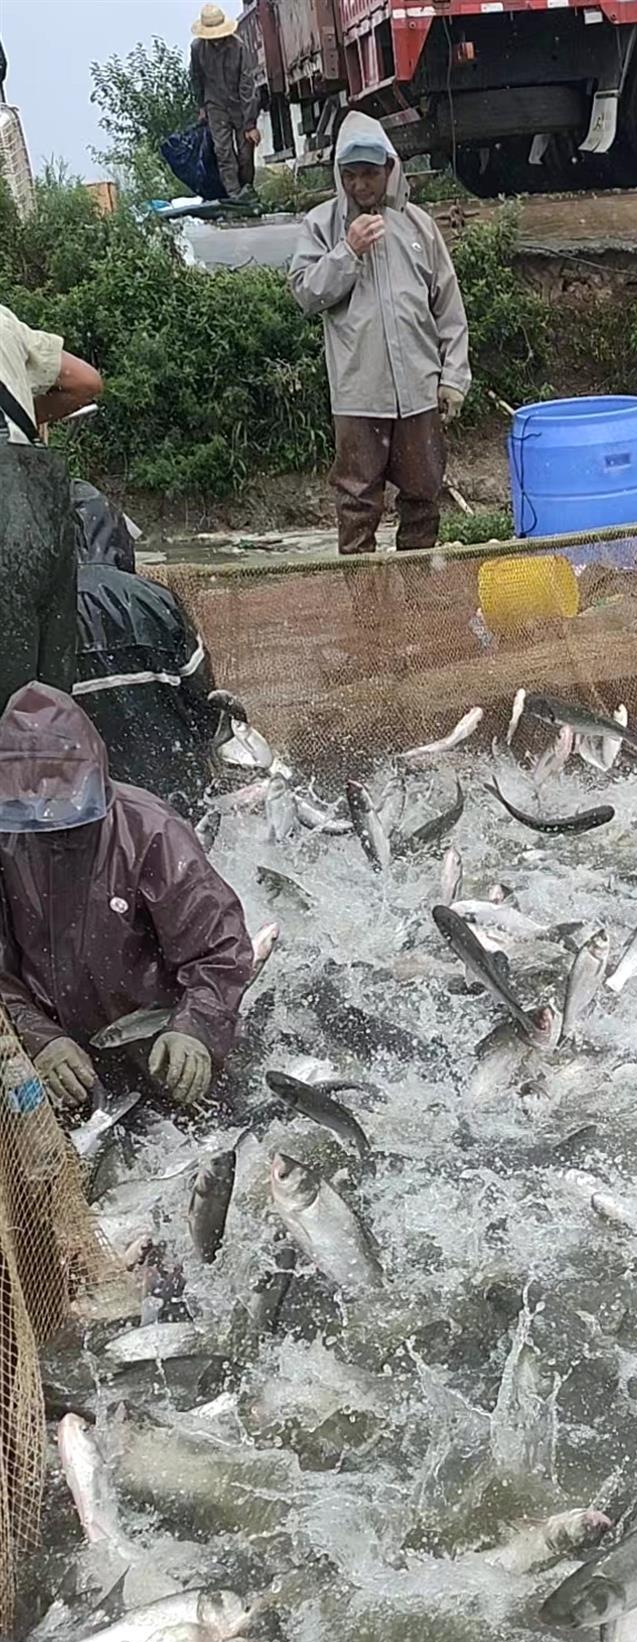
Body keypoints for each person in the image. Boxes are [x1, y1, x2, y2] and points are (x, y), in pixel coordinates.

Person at [0, 684, 253, 1110]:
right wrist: (38, 1039)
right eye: (35, 805)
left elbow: (221, 948)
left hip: (162, 1048)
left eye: (65, 803)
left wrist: (195, 1028)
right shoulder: (8, 841)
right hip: (66, 1069)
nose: (52, 820)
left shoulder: (151, 830)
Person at [289, 112, 471, 555]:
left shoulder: (417, 225)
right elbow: (306, 293)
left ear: (390, 170)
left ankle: (416, 608)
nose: (360, 186)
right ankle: (369, 617)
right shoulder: (323, 225)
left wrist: (453, 378)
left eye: (369, 174)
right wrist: (347, 251)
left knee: (423, 499)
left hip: (419, 391)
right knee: (356, 506)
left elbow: (448, 306)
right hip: (358, 394)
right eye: (349, 176)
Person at [72, 482, 221, 815]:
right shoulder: (156, 599)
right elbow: (205, 701)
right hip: (174, 801)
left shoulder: (32, 611)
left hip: (83, 810)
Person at [1, 305, 102, 704]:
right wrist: (30, 413)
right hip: (32, 510)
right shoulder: (4, 320)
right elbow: (85, 382)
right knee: (43, 704)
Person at [190, 4, 260, 204]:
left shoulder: (238, 46)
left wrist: (250, 124)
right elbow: (196, 78)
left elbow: (247, 84)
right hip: (215, 106)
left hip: (239, 105)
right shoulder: (197, 49)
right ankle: (235, 196)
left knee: (246, 154)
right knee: (224, 153)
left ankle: (247, 190)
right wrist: (201, 106)